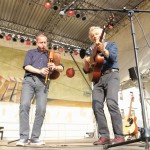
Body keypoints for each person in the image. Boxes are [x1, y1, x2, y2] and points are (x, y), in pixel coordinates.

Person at [16, 33, 64, 146]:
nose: (43, 44)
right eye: (41, 42)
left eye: (45, 42)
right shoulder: (31, 52)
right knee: (24, 105)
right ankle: (23, 137)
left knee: (41, 109)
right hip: (29, 81)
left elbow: (62, 67)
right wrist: (40, 71)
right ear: (37, 42)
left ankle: (34, 138)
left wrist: (55, 67)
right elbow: (26, 66)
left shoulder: (51, 54)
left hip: (43, 83)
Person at [83, 26, 125, 145]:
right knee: (96, 106)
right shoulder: (90, 49)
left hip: (111, 75)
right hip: (97, 78)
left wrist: (103, 50)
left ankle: (119, 136)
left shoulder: (111, 44)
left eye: (97, 34)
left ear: (103, 34)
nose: (95, 36)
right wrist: (86, 63)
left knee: (111, 103)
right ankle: (104, 136)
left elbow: (112, 58)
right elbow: (87, 69)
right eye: (93, 35)